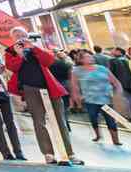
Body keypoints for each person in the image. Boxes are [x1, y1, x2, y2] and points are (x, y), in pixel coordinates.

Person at [5, 28, 82, 165]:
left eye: (23, 35)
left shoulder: (36, 47)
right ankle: (48, 154)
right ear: (12, 38)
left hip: (50, 87)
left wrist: (33, 48)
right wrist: (19, 54)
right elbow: (12, 67)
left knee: (60, 122)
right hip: (30, 89)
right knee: (39, 122)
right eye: (17, 36)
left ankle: (69, 153)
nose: (20, 37)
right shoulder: (10, 51)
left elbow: (49, 61)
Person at [69, 49, 124, 146]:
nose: (90, 58)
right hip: (90, 99)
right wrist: (77, 99)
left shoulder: (102, 68)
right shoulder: (77, 71)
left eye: (91, 56)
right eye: (87, 57)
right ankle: (98, 135)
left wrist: (118, 93)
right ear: (81, 60)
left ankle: (116, 140)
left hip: (106, 98)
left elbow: (115, 81)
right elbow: (75, 86)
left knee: (111, 120)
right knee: (93, 118)